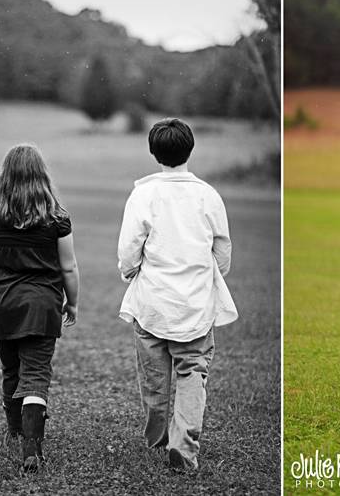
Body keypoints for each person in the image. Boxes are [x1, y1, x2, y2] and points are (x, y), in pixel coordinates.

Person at [117, 117, 238, 470]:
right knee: (191, 373)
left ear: (154, 153)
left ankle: (157, 440)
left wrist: (130, 273)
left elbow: (129, 250)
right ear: (190, 149)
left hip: (153, 303)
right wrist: (209, 274)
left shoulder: (143, 194)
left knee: (154, 380)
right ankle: (183, 446)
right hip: (195, 306)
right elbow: (223, 249)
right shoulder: (208, 196)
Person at [0, 144, 79, 472]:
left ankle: (15, 429)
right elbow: (68, 268)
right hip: (42, 307)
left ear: (4, 177)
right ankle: (31, 447)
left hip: (2, 305)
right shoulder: (57, 219)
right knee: (36, 375)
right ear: (42, 177)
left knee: (11, 370)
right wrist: (73, 302)